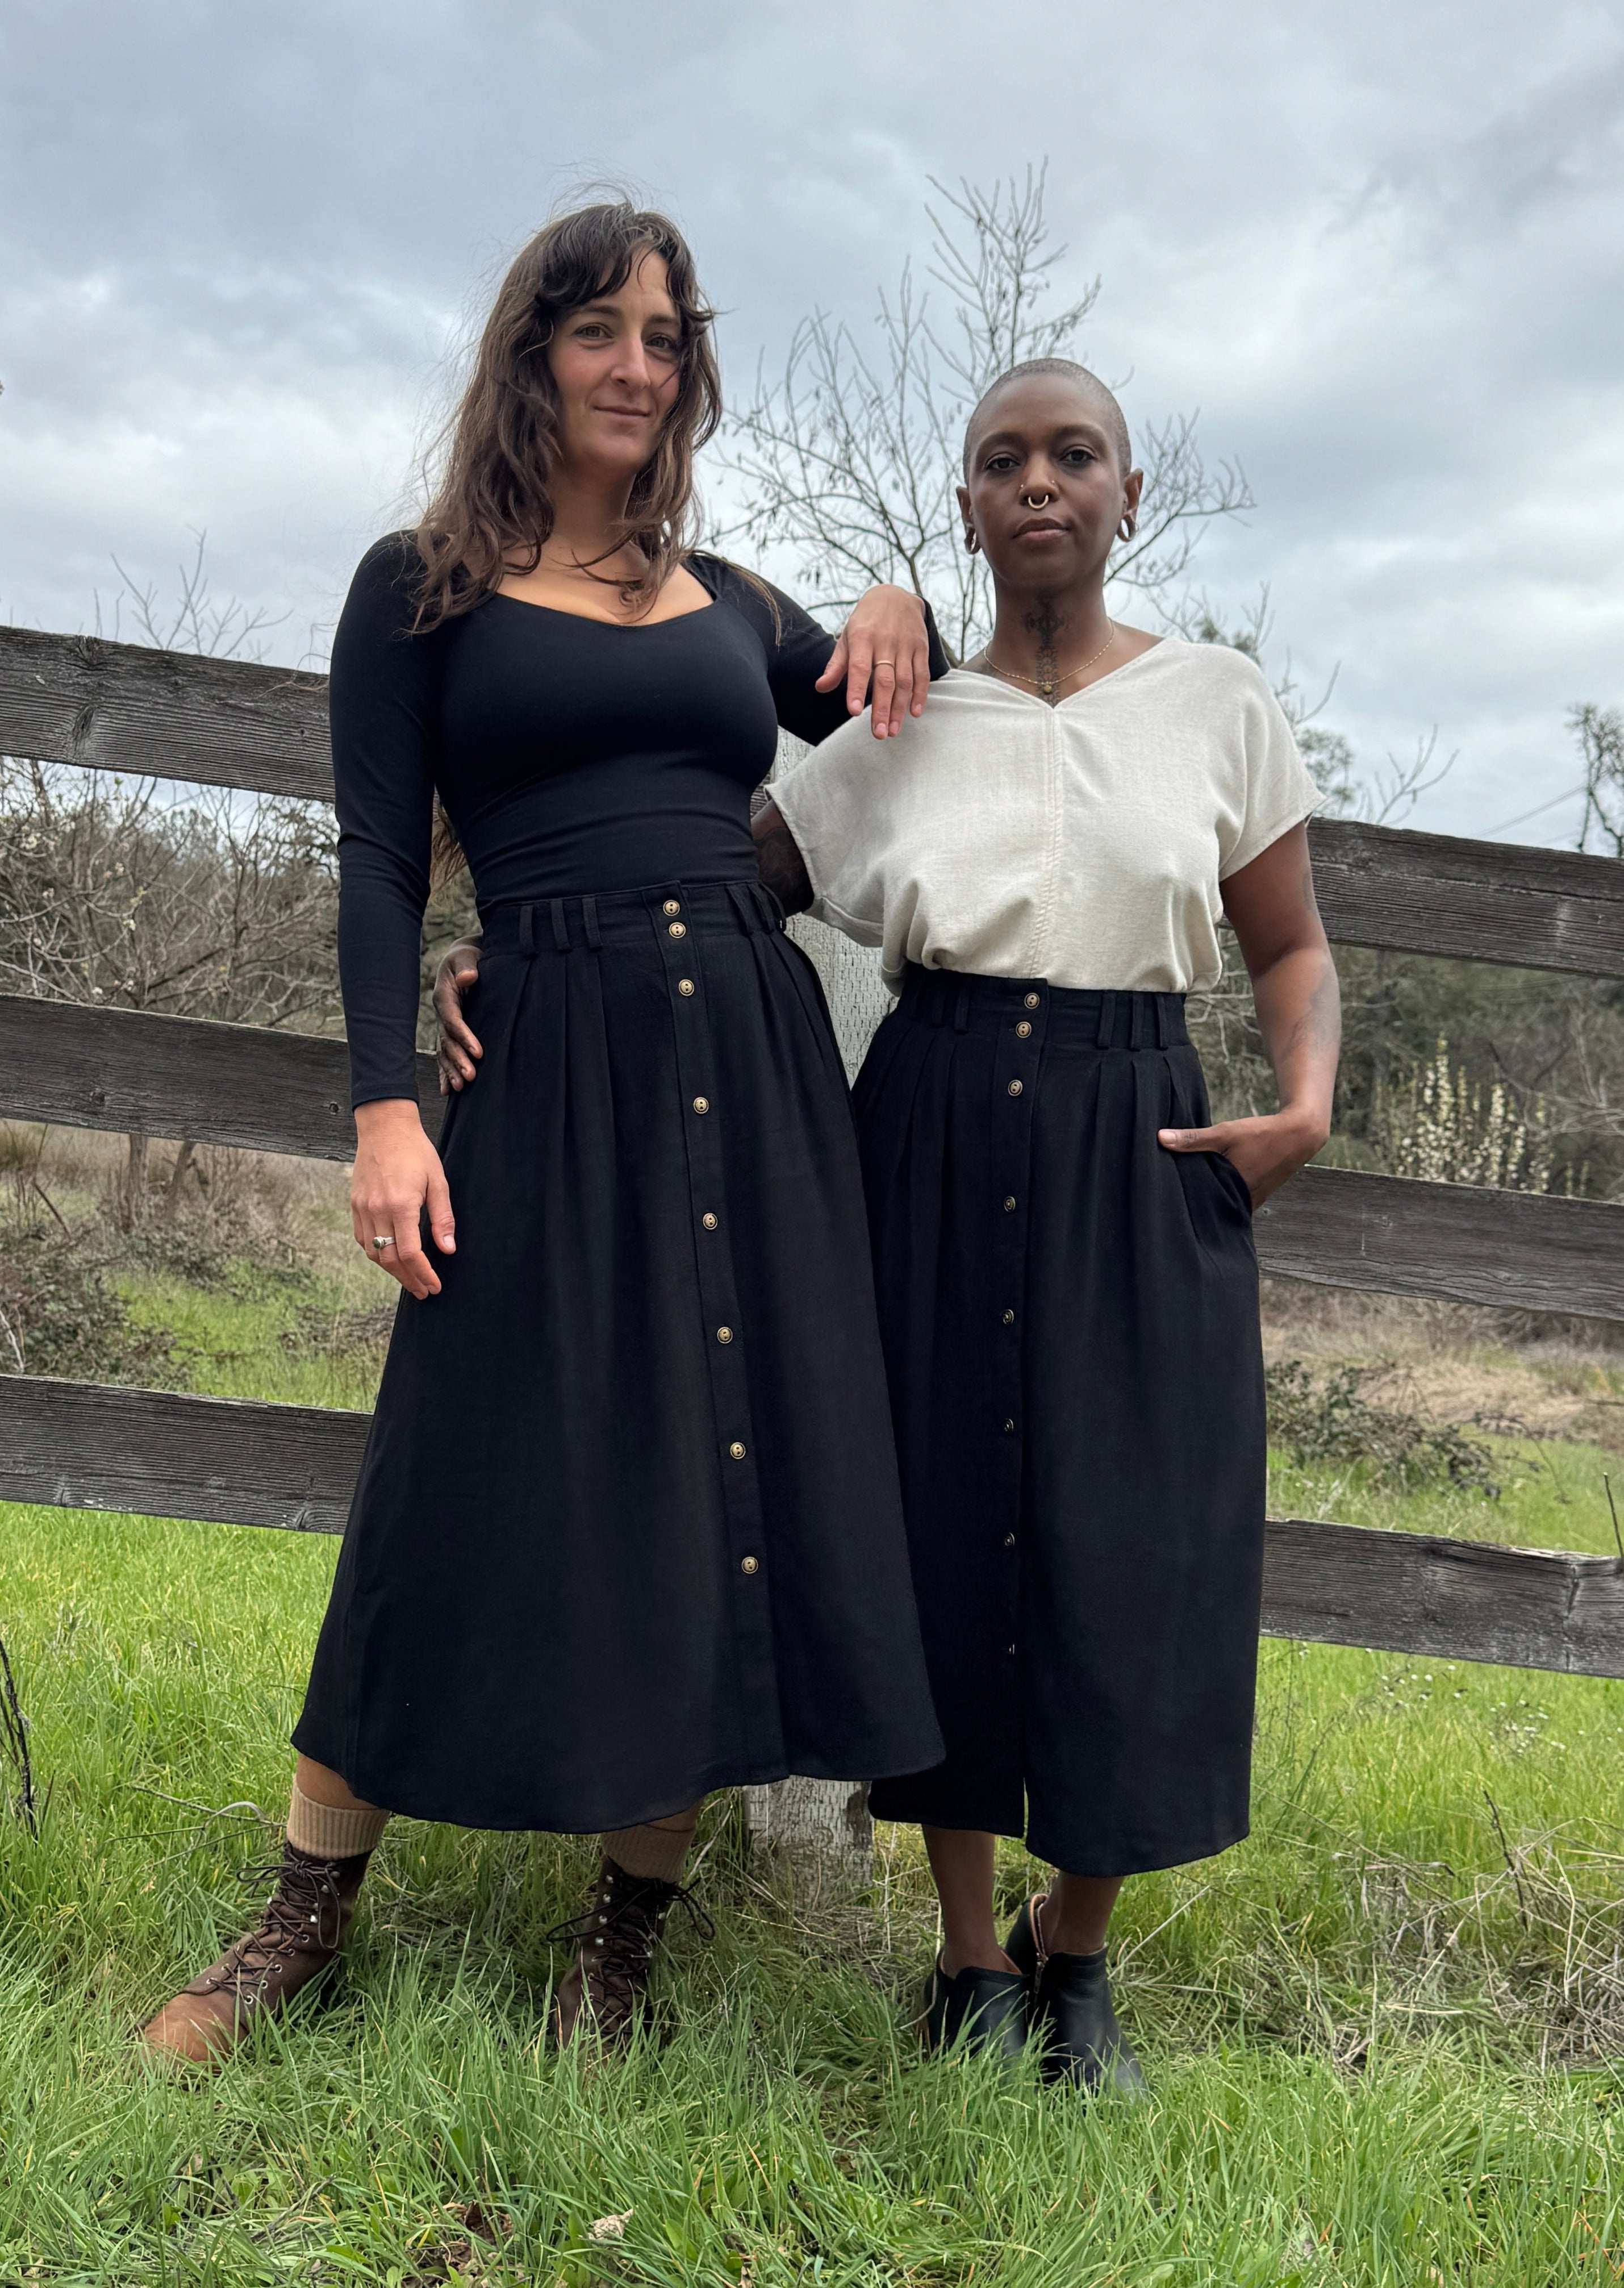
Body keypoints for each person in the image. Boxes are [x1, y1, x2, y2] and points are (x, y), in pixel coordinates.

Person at [140, 201, 946, 2069]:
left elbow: (902, 714)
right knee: (448, 1464)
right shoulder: (418, 585)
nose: (637, 367)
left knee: (713, 1469)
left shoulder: (733, 605)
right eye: (601, 331)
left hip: (745, 1058)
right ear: (533, 353)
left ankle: (620, 1936)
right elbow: (372, 856)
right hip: (542, 1066)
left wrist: (900, 597)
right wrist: (384, 1105)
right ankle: (304, 1912)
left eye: (667, 338)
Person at [746, 357, 1341, 2087]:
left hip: (1137, 1130)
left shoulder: (1217, 703)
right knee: (941, 1521)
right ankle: (965, 1963)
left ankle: (1073, 1956)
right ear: (965, 503)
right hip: (928, 1122)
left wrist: (1305, 1100)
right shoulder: (901, 719)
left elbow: (1290, 943)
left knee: (1132, 1536)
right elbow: (726, 885)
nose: (1038, 482)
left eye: (1074, 455)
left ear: (1127, 493)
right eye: (1002, 458)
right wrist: (519, 946)